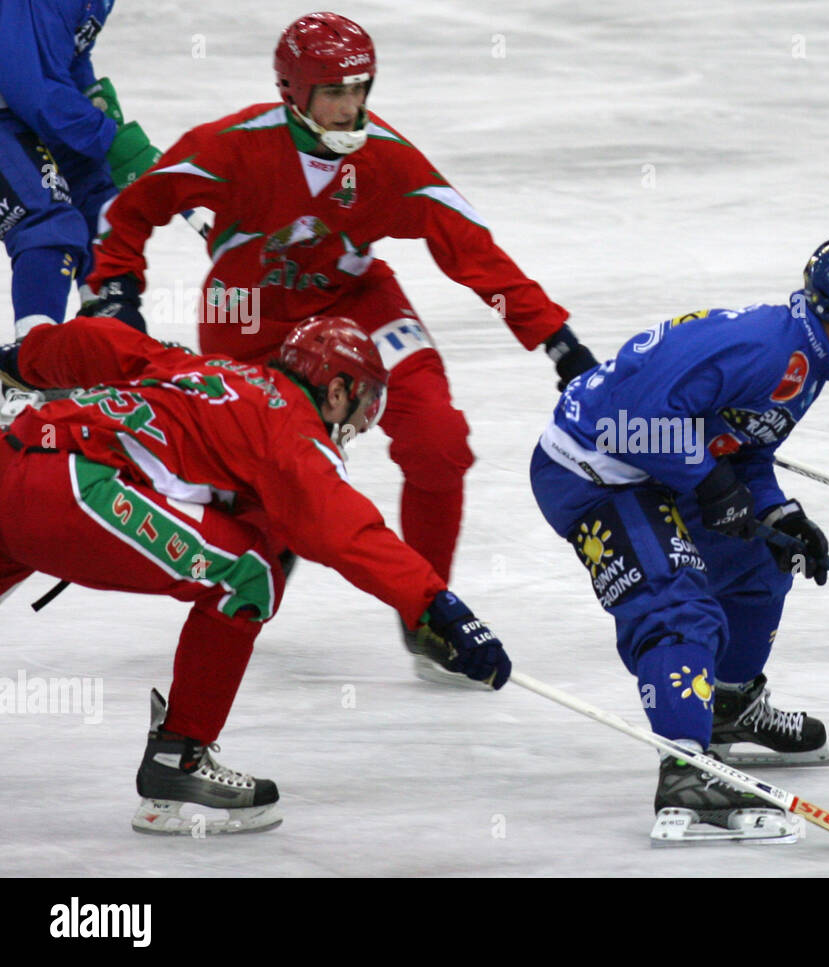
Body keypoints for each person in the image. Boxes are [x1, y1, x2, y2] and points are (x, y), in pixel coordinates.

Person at [83, 11, 596, 683]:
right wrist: (115, 287)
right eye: (334, 91)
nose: (353, 108)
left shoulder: (385, 156)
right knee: (262, 486)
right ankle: (255, 571)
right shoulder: (232, 147)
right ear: (293, 91)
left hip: (356, 302)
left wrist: (557, 341)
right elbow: (136, 208)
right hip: (249, 316)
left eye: (361, 88)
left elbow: (471, 249)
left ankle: (428, 615)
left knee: (437, 439)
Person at [0, 314, 511, 834]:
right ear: (335, 389)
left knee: (251, 550)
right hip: (72, 489)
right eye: (363, 405)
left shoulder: (212, 370)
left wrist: (19, 360)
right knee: (251, 575)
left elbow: (101, 341)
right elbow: (346, 530)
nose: (358, 424)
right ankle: (177, 758)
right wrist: (440, 608)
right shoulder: (293, 432)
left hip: (11, 458)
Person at [529, 234, 829, 842]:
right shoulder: (766, 349)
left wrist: (776, 512)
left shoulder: (809, 361)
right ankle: (685, 765)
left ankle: (728, 707)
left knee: (763, 559)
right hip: (593, 473)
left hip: (652, 468)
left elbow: (746, 450)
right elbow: (622, 422)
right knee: (678, 607)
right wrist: (710, 483)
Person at [0, 0, 162, 337]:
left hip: (29, 102)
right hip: (19, 102)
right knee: (49, 222)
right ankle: (31, 362)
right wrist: (105, 136)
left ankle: (103, 337)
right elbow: (30, 86)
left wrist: (90, 96)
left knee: (102, 206)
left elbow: (66, 55)